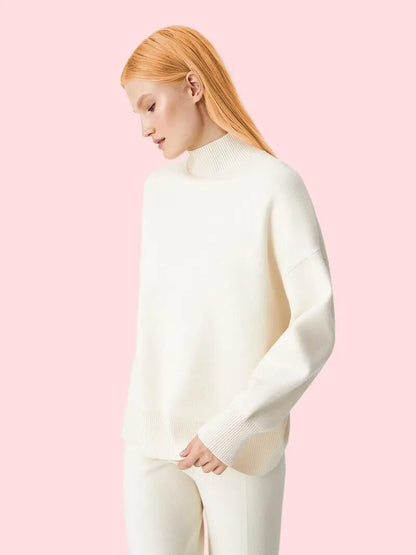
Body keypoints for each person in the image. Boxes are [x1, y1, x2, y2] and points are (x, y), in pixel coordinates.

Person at [120, 25, 336, 555]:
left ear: (193, 87)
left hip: (238, 447)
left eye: (151, 106)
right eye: (137, 113)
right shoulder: (158, 191)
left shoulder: (274, 186)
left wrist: (234, 425)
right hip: (150, 441)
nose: (144, 128)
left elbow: (315, 323)